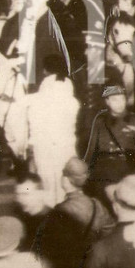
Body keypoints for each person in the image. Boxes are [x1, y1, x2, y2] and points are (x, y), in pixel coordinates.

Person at [83, 84, 135, 205]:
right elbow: (91, 151)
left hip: (125, 172)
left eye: (122, 99)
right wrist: (85, 173)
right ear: (107, 101)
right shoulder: (100, 120)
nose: (120, 103)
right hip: (102, 174)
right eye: (115, 99)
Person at [26, 54, 80, 206]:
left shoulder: (42, 93)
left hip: (45, 148)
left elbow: (35, 123)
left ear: (46, 70)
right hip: (66, 146)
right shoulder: (70, 92)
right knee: (66, 186)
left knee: (48, 187)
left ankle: (51, 221)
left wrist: (31, 150)